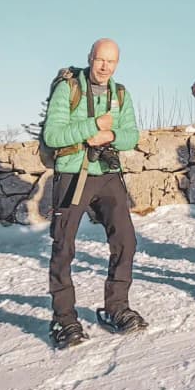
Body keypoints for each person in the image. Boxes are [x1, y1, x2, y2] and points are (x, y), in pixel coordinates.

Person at [44, 38, 145, 349]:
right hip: (73, 173)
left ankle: (117, 306)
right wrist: (92, 128)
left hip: (107, 174)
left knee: (125, 239)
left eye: (111, 62)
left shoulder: (120, 93)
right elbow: (53, 134)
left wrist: (111, 134)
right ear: (90, 58)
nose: (105, 67)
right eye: (100, 60)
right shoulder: (69, 88)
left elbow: (131, 135)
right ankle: (64, 318)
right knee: (64, 245)